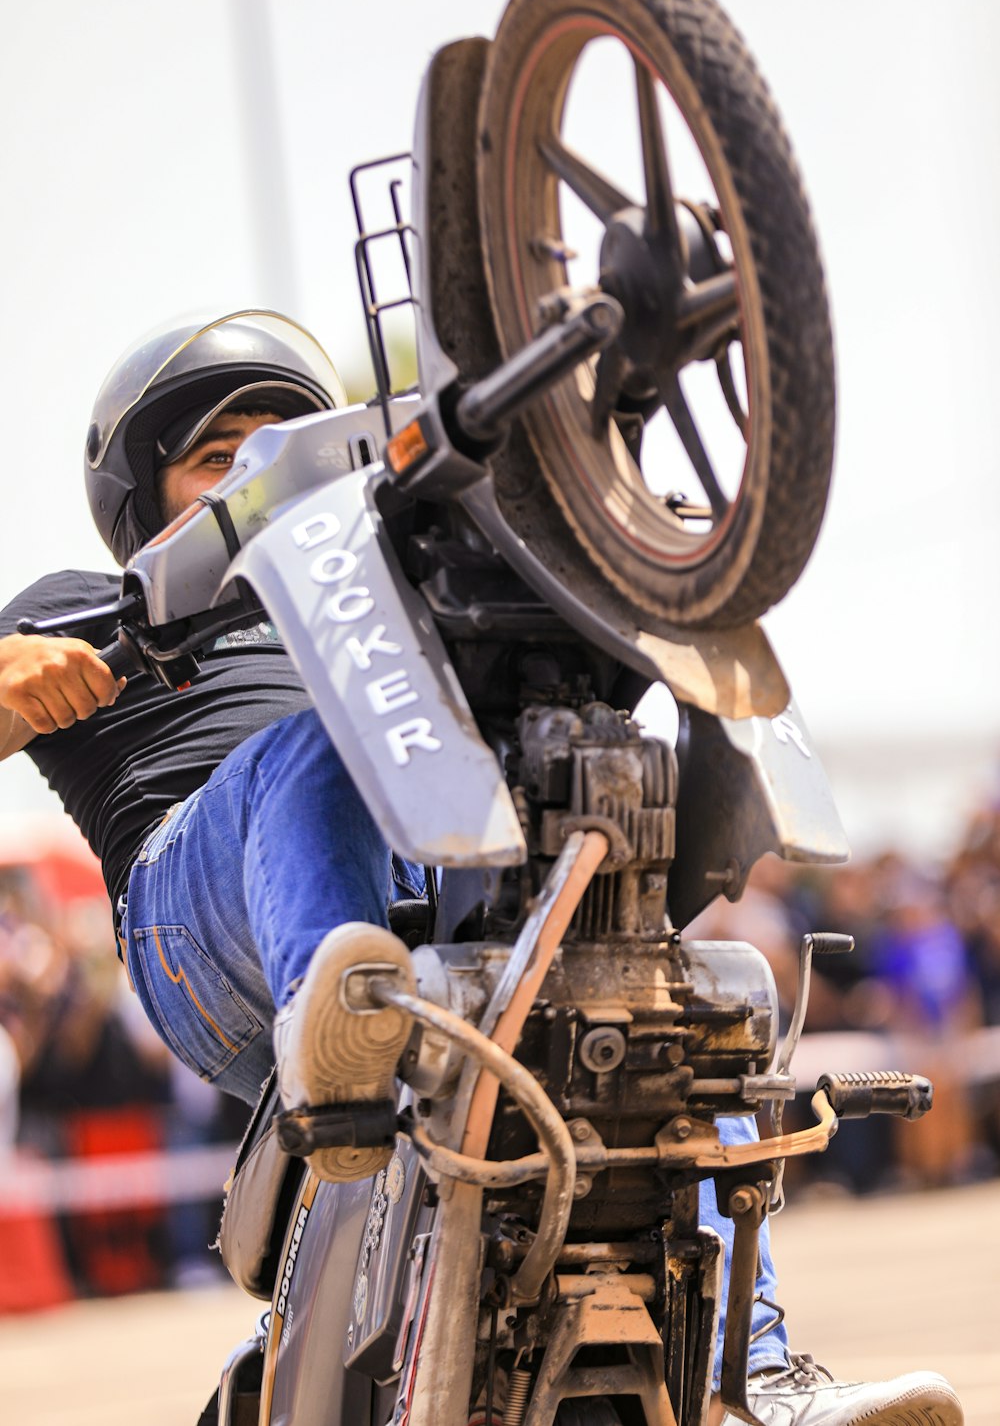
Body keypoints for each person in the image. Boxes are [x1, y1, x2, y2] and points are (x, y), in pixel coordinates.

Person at [0, 311, 963, 1426]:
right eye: (220, 460)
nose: (253, 484)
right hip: (204, 929)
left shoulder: (389, 593)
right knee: (311, 750)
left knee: (658, 1018)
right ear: (141, 504)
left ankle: (754, 1377)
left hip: (422, 914)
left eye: (281, 451)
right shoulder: (78, 609)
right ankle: (341, 1019)